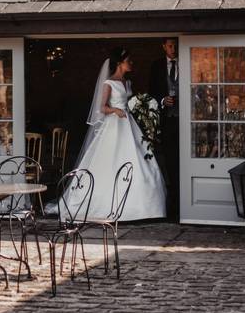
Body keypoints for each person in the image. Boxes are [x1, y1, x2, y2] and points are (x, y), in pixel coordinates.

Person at [63, 47, 166, 221]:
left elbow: (132, 102)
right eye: (129, 61)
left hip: (129, 124)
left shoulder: (127, 83)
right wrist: (115, 110)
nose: (131, 63)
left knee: (141, 160)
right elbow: (101, 108)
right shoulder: (108, 83)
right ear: (119, 63)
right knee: (110, 162)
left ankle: (146, 209)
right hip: (114, 124)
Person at [149, 38, 179, 217]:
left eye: (175, 45)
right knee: (170, 160)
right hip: (166, 121)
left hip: (185, 120)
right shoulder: (156, 66)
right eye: (170, 46)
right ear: (163, 47)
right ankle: (173, 198)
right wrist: (162, 100)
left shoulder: (188, 60)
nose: (173, 49)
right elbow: (151, 90)